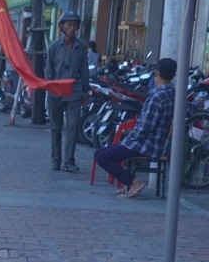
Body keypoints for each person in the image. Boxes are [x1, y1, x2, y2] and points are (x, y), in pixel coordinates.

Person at [94, 57, 176, 199]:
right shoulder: (174, 93)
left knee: (101, 155)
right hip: (157, 142)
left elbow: (145, 128)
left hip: (146, 144)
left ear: (157, 73)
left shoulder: (157, 96)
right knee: (111, 150)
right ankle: (128, 182)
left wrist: (128, 135)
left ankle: (133, 182)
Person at [45, 12, 90, 172]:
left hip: (74, 92)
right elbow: (48, 69)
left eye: (74, 25)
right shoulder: (54, 47)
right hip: (56, 92)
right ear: (62, 27)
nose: (71, 28)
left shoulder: (81, 48)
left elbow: (84, 70)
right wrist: (49, 87)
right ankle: (55, 160)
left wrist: (86, 91)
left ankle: (69, 161)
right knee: (56, 127)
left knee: (72, 127)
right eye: (68, 25)